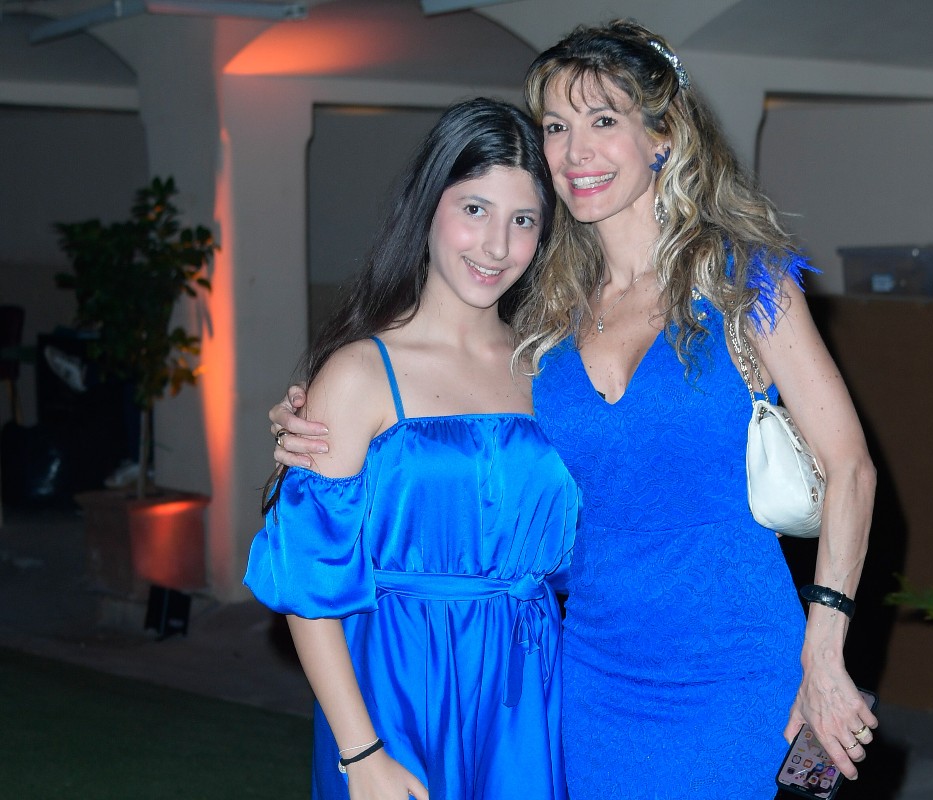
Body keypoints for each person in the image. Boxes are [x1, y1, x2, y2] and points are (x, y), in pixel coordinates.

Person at [271, 20, 877, 799]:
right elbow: (456, 425)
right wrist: (315, 424)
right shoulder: (545, 320)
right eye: (556, 126)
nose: (575, 150)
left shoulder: (743, 282)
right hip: (586, 681)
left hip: (740, 671)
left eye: (603, 120)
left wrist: (824, 650)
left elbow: (850, 467)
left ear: (662, 136)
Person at [245, 98, 579, 800]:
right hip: (396, 687)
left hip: (529, 689)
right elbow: (307, 583)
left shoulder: (554, 369)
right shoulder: (358, 374)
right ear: (428, 207)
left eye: (523, 220)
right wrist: (361, 751)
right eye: (475, 209)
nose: (497, 246)